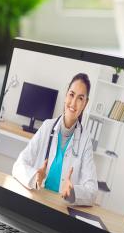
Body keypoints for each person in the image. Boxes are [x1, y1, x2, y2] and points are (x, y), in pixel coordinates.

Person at [12, 73, 98, 206]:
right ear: (66, 95)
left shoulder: (85, 139)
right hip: (37, 199)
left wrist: (73, 192)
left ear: (85, 103)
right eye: (71, 94)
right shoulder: (47, 126)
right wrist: (35, 176)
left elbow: (92, 191)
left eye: (80, 98)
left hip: (61, 207)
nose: (74, 103)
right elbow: (18, 165)